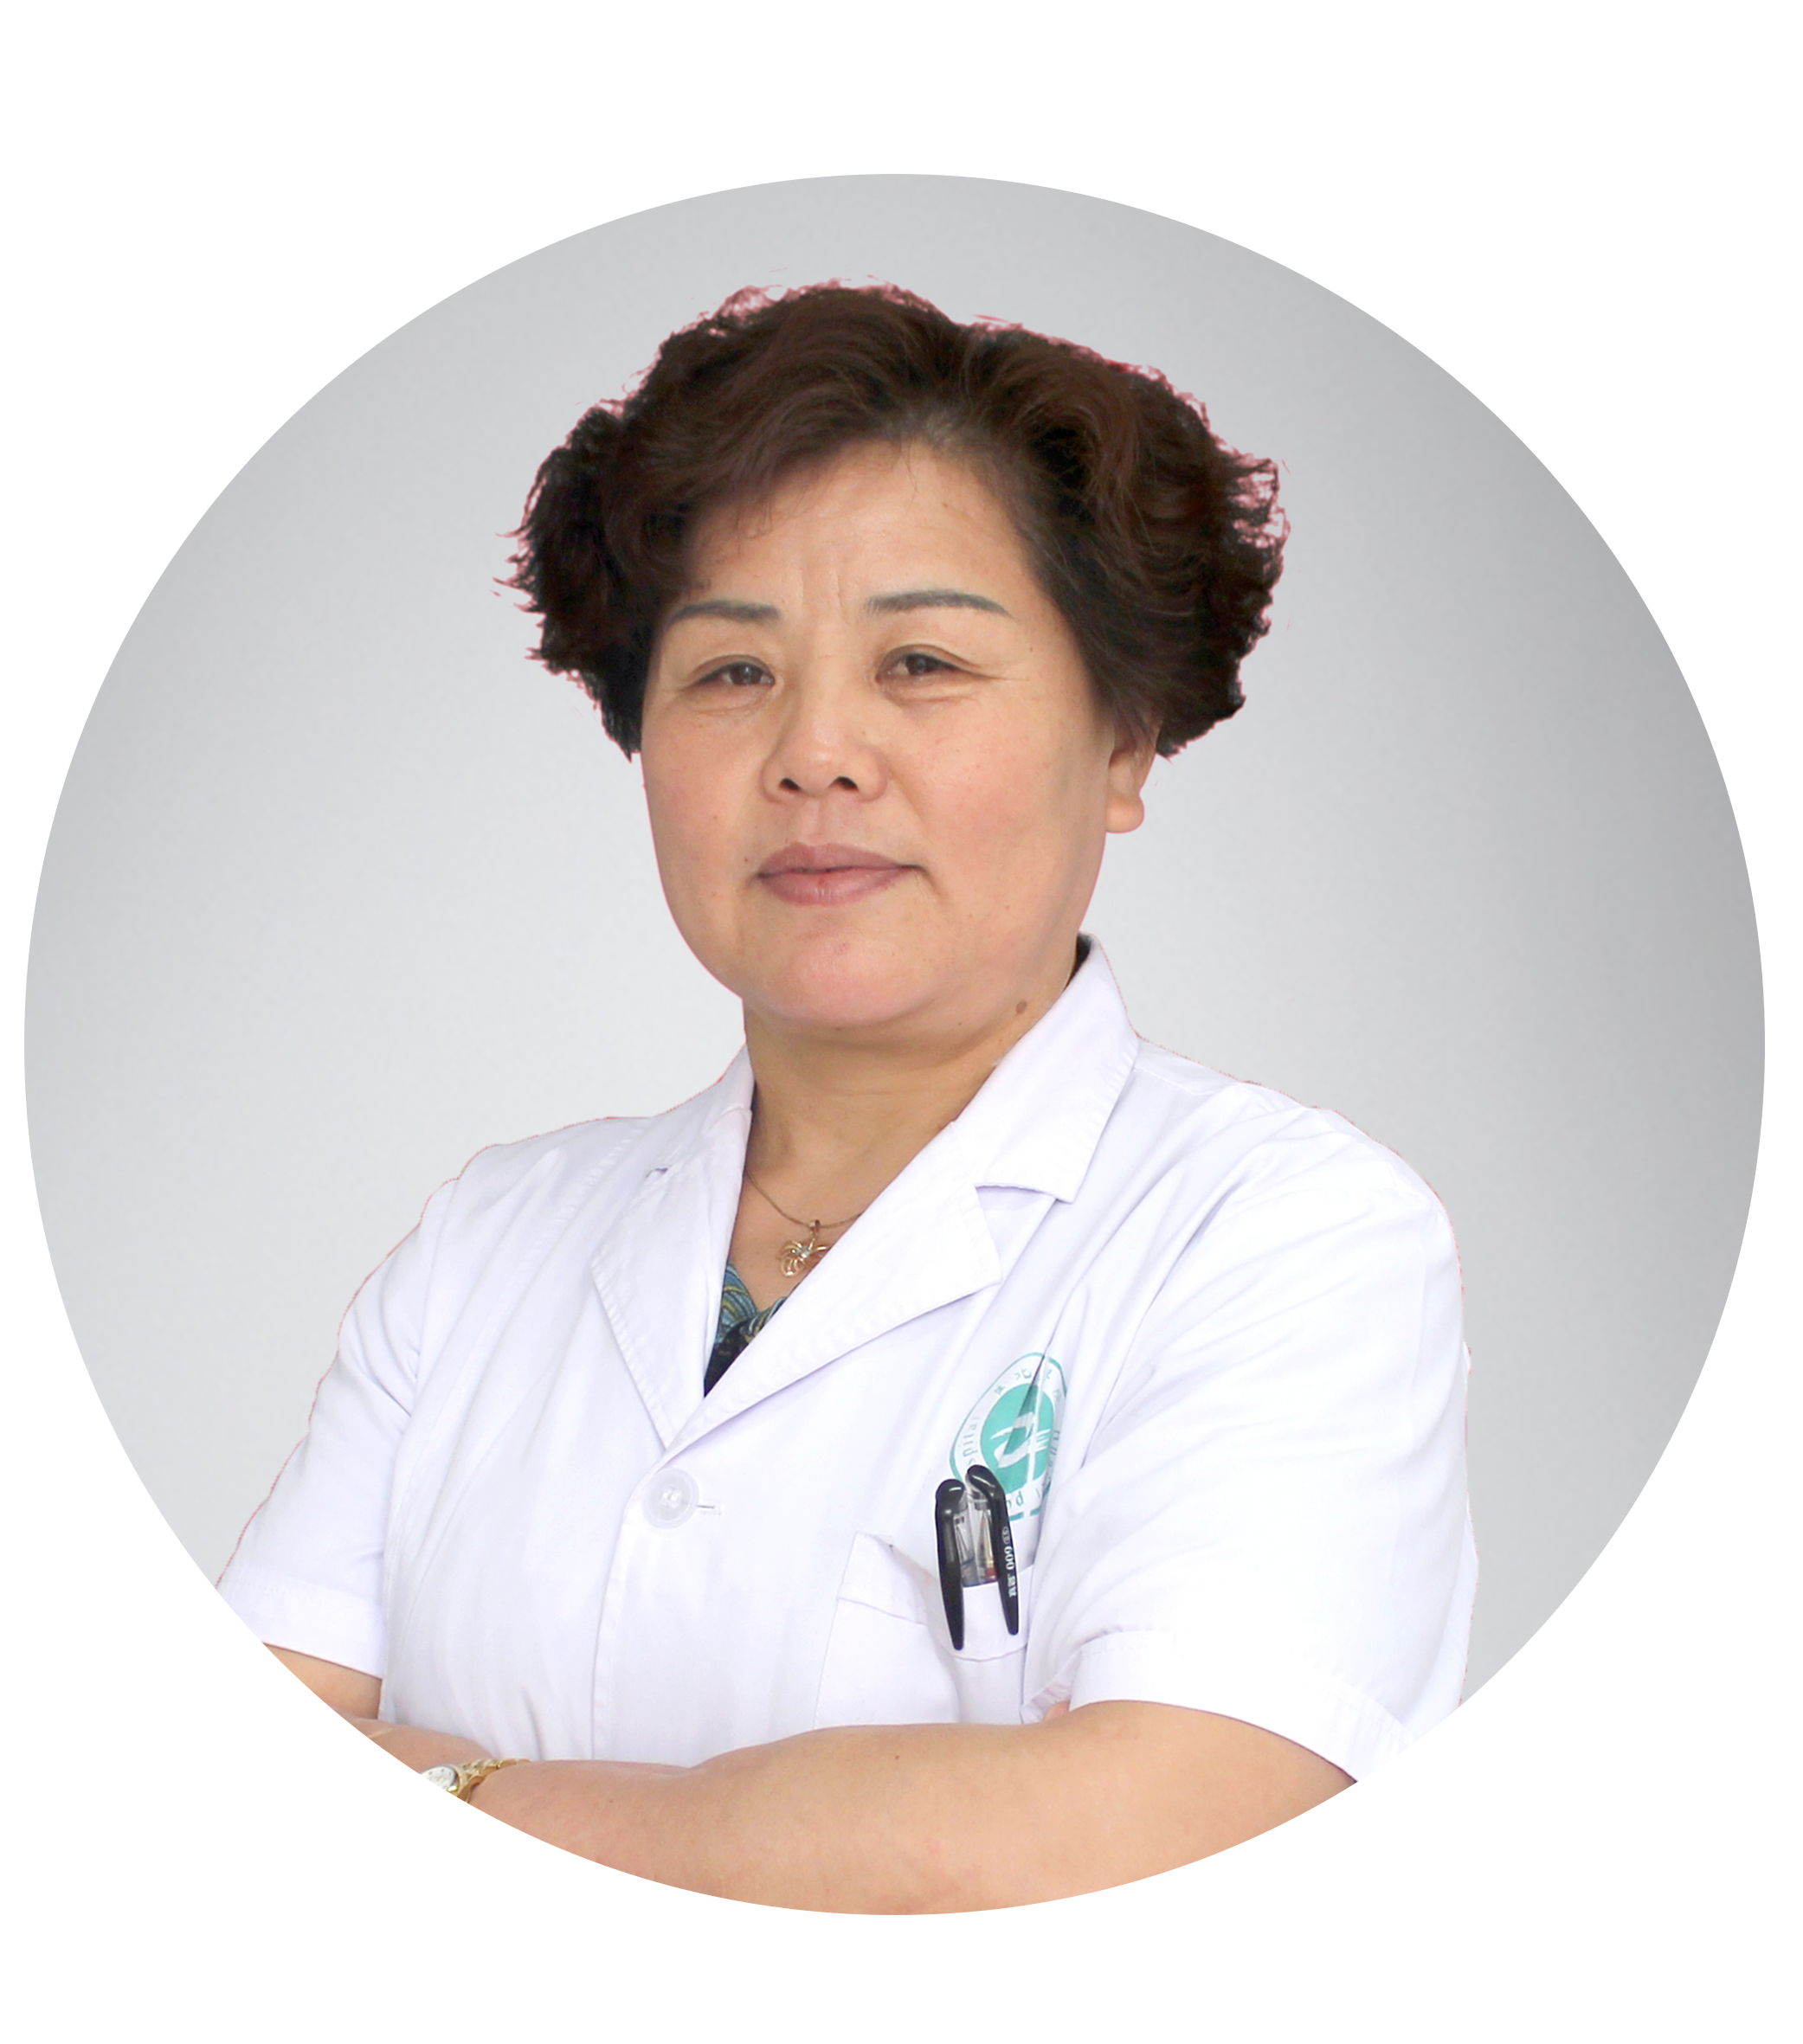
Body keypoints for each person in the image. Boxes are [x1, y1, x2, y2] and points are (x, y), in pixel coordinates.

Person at [134, 282, 1476, 1915]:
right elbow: (218, 1871)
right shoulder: (489, 1243)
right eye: (729, 671)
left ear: (1124, 742)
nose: (816, 750)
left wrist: (443, 1828)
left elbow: (1123, 1863)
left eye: (920, 660)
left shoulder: (1281, 1237)